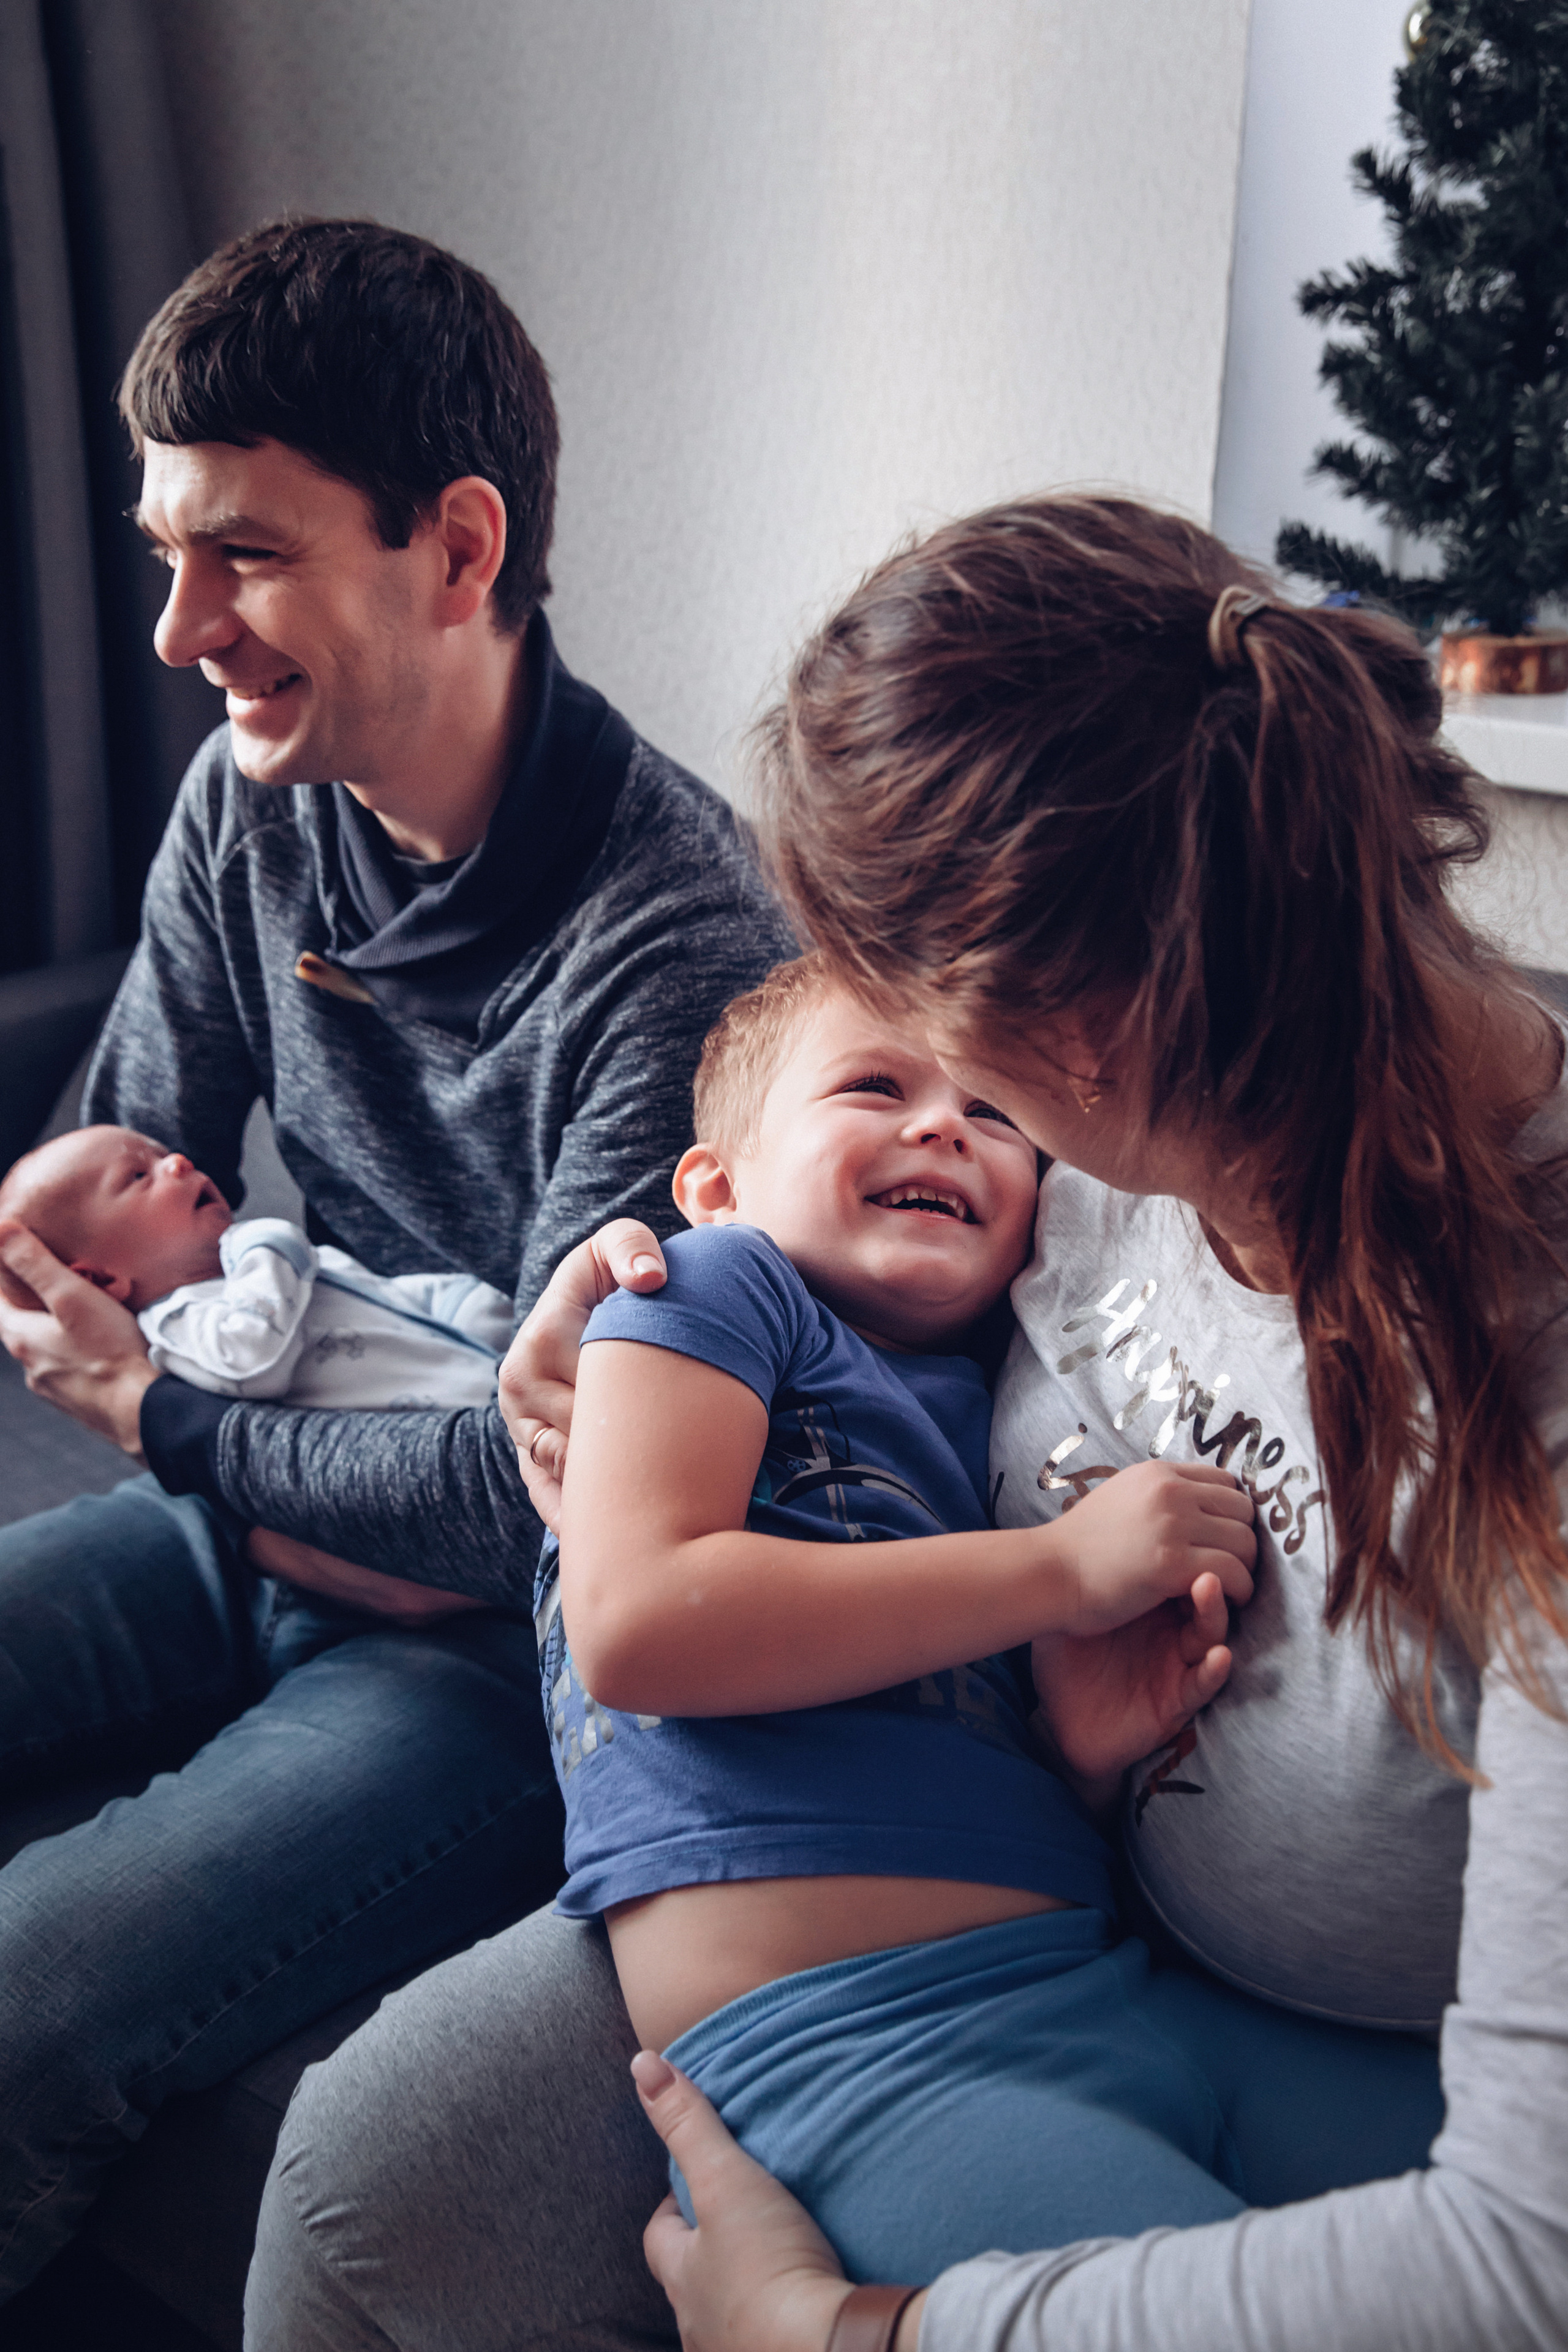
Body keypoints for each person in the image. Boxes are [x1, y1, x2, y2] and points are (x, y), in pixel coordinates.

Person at [244, 494, 1568, 2352]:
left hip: (1294, 2030)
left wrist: (846, 2331)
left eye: (961, 1069)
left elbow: (1524, 2258)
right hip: (965, 1917)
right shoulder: (1105, 1136)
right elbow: (791, 1324)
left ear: (1077, 1032)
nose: (946, 1122)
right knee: (373, 2182)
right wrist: (614, 1307)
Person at [0, 217, 792, 2299]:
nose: (178, 628)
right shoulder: (245, 808)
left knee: (24, 1997)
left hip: (480, 1671)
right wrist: (214, 1445)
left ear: (456, 549)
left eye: (243, 556)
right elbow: (97, 1202)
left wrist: (173, 1422)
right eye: (167, 552)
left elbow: (538, 1511)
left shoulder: (682, 948)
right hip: (250, 1508)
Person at [542, 951, 1447, 2287]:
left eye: (991, 1112)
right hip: (867, 2053)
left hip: (1109, 1985)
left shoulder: (981, 1390)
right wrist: (1064, 1570)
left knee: (1504, 2208)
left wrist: (1073, 1760)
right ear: (715, 1184)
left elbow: (914, 1713)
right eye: (874, 1087)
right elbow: (636, 1624)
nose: (943, 1126)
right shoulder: (713, 1287)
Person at [0, 1124, 514, 1404]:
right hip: (441, 1425)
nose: (178, 1161)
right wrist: (270, 1249)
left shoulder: (263, 1269)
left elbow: (390, 1299)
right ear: (101, 1278)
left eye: (163, 1154)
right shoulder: (180, 1324)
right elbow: (251, 1362)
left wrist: (467, 1301)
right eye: (138, 1176)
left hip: (486, 1379)